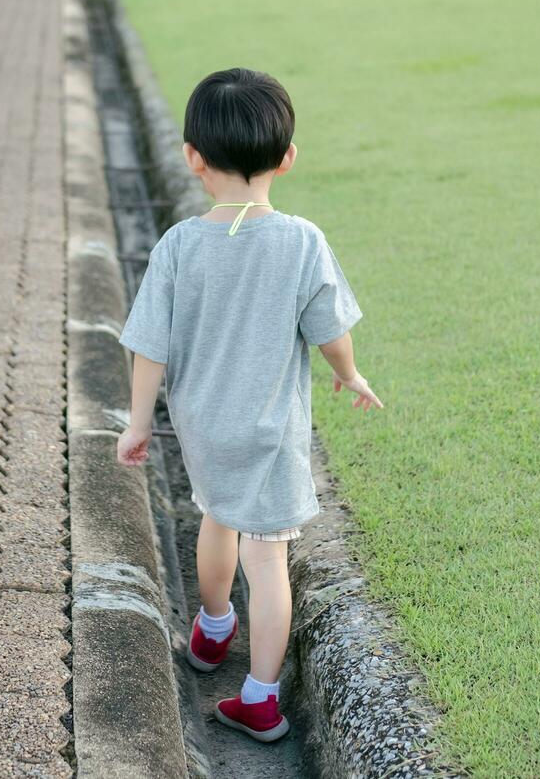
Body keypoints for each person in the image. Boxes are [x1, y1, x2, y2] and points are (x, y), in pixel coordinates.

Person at [116, 68, 383, 744]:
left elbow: (150, 345)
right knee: (268, 562)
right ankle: (260, 697)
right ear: (287, 158)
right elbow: (331, 331)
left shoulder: (180, 245)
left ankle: (210, 632)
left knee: (215, 517)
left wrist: (140, 420)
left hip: (204, 428)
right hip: (271, 433)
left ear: (192, 158)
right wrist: (349, 375)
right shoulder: (301, 241)